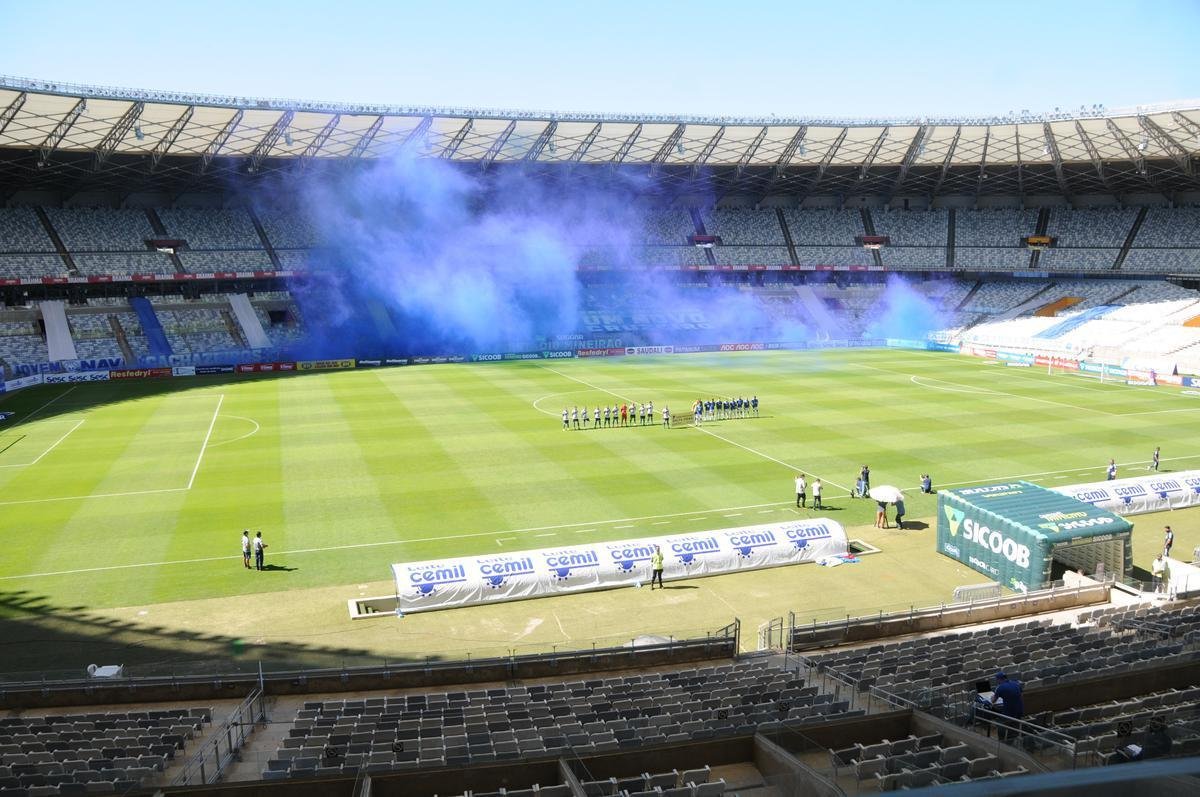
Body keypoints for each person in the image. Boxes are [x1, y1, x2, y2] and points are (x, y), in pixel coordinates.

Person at [990, 672, 1024, 741]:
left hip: (1009, 713)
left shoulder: (1000, 687)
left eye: (996, 679)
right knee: (1014, 727)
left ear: (999, 679)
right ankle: (1011, 740)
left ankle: (1001, 741)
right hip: (1020, 710)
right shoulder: (1016, 683)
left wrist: (992, 697)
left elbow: (993, 701)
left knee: (1000, 724)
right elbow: (1020, 695)